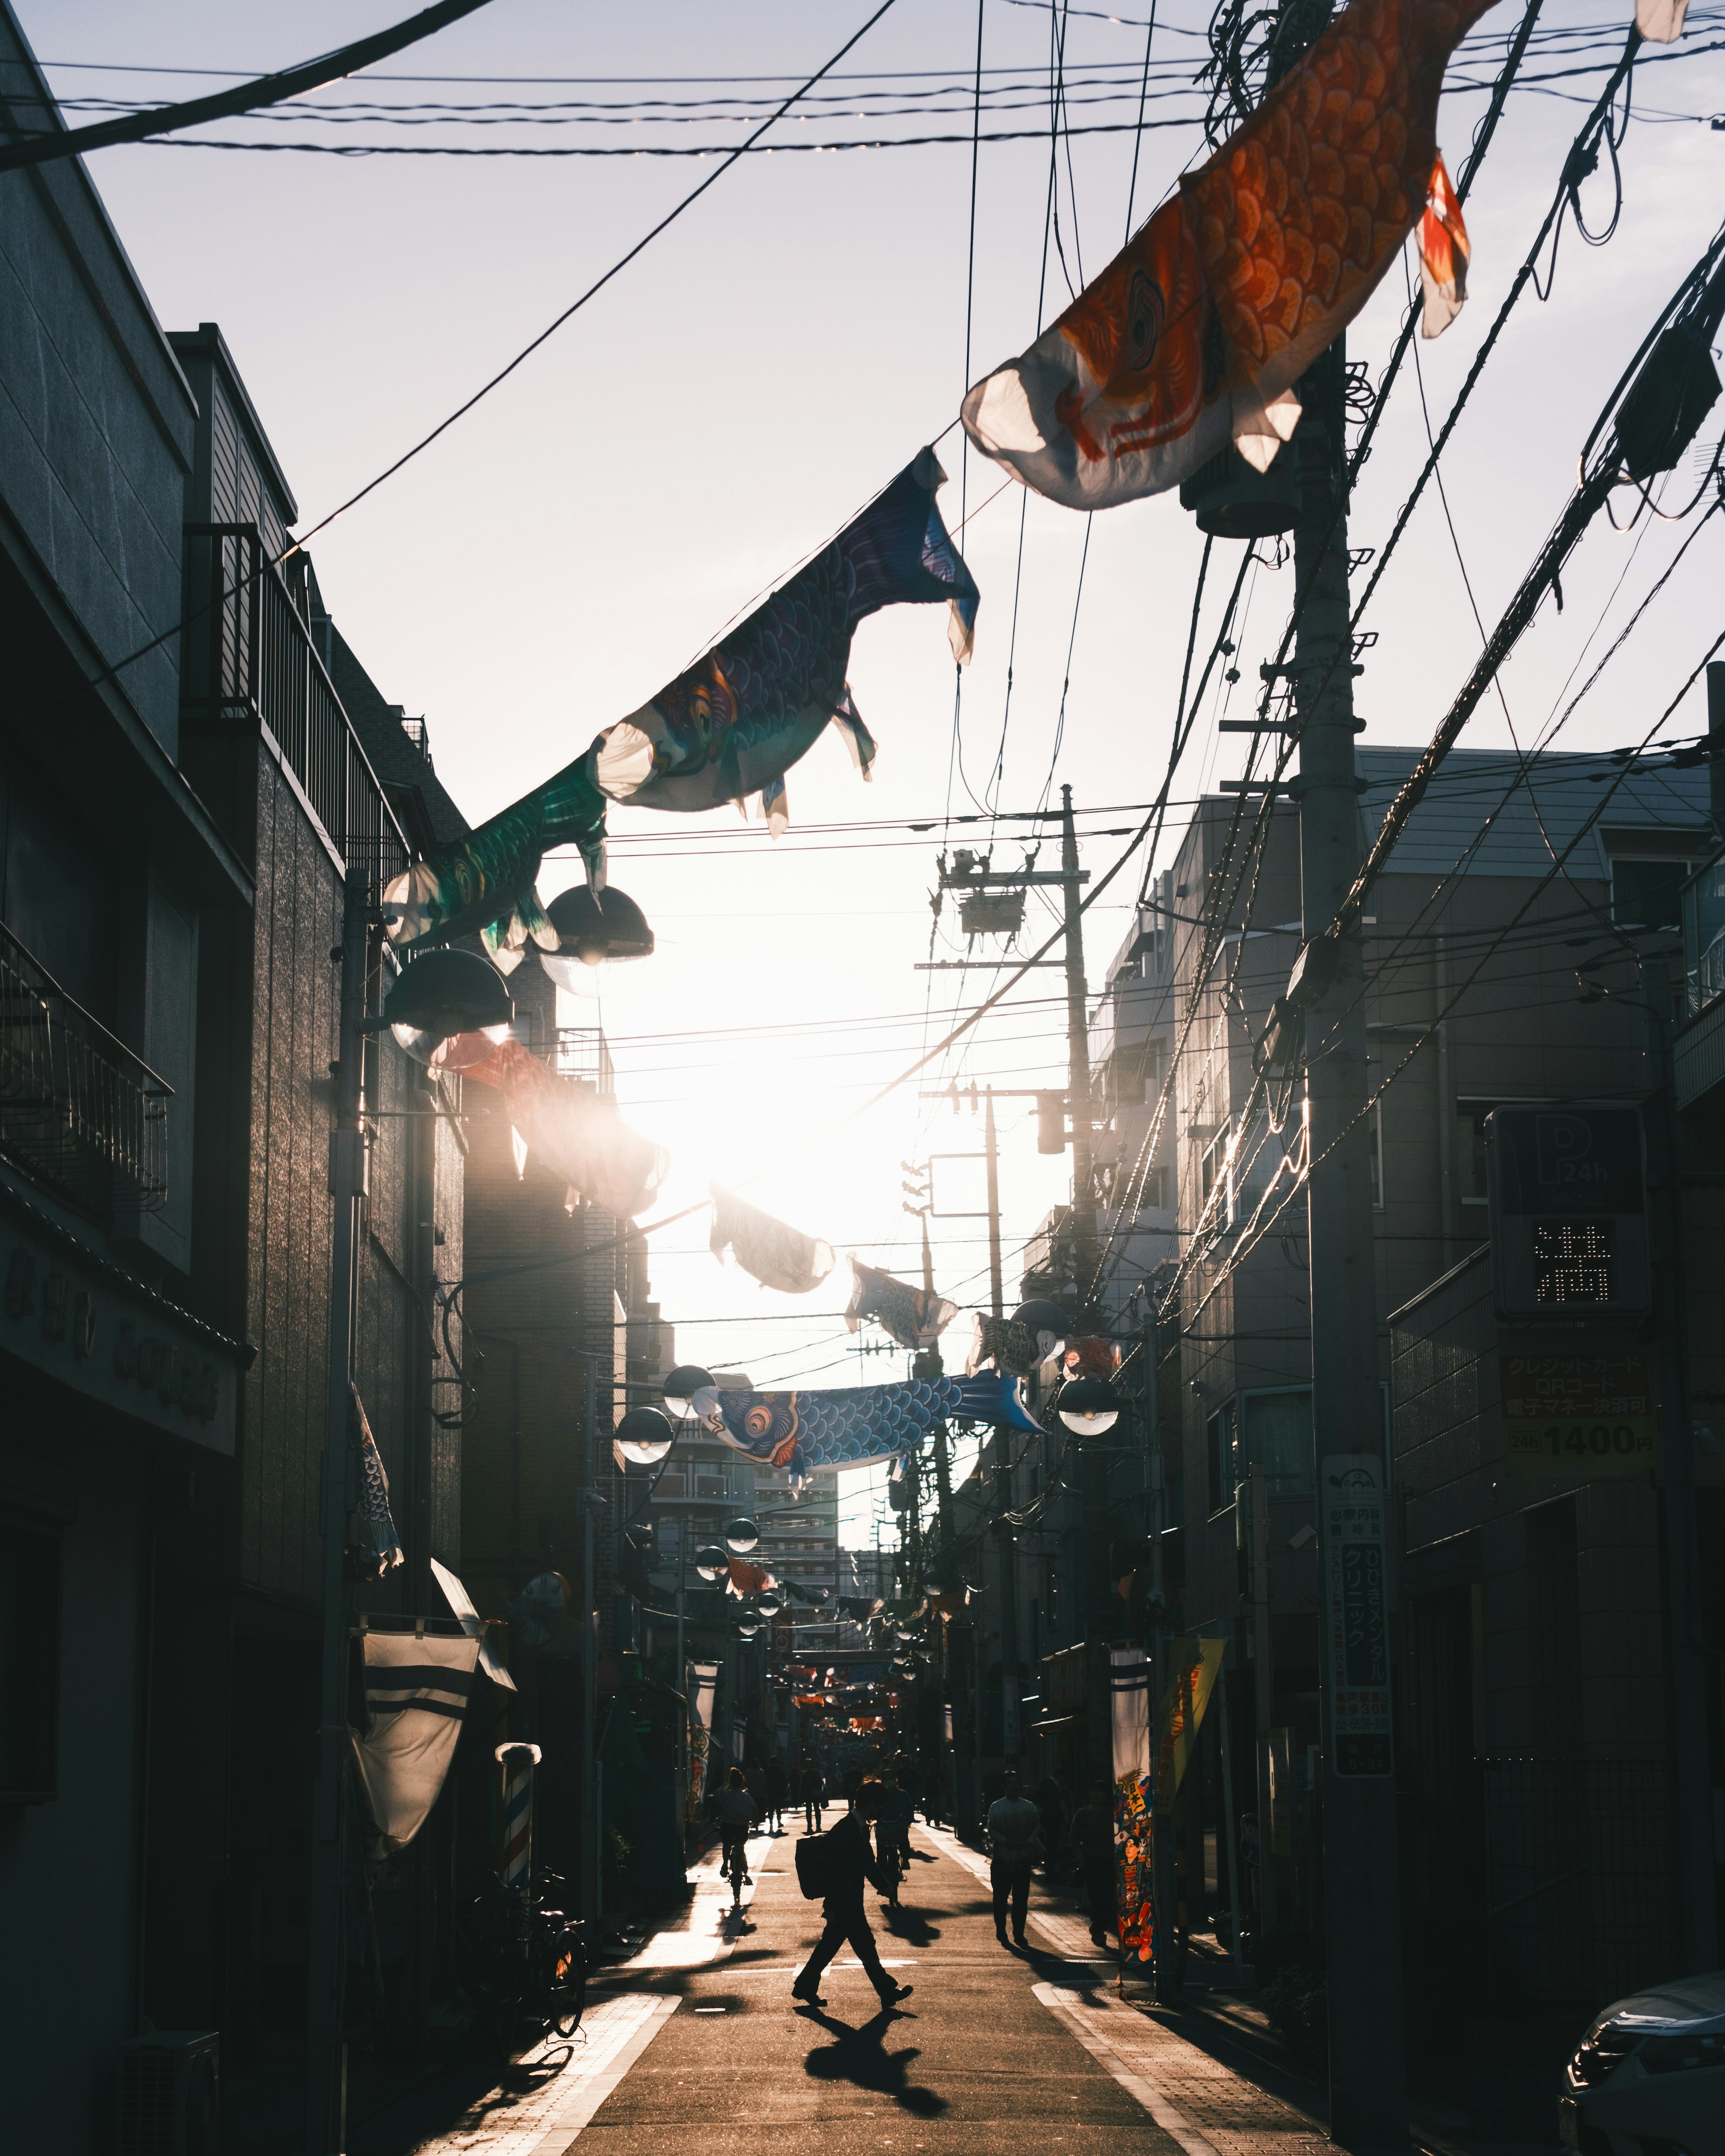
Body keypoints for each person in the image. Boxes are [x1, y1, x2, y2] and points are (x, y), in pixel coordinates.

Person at [792, 1780, 914, 2011]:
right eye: (881, 1805)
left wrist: (884, 1885)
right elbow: (837, 1871)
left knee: (834, 1946)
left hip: (847, 1901)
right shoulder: (847, 1829)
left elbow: (867, 1862)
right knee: (862, 1945)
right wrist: (834, 1907)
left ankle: (806, 1986)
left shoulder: (856, 1827)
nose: (882, 1811)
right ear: (871, 1804)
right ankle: (886, 1992)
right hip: (844, 1901)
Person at [986, 1768, 1042, 1948]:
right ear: (1004, 1786)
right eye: (1009, 1783)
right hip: (1002, 1860)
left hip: (1022, 1861)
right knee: (1000, 1899)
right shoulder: (997, 1807)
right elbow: (993, 1830)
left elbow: (1036, 1828)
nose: (1013, 1786)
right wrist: (1009, 1842)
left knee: (1020, 1900)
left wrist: (1026, 1842)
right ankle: (1001, 1930)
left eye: (1016, 1782)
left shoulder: (1029, 1806)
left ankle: (1019, 1933)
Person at [1068, 1781, 1116, 1948]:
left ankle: (1098, 1927)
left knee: (1108, 1895)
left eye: (1101, 1792)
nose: (1097, 1795)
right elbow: (1073, 1835)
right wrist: (1079, 1854)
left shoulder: (1113, 1814)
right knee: (1096, 1896)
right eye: (1094, 1791)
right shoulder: (1083, 1814)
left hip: (1110, 1860)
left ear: (1106, 1796)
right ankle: (1099, 1931)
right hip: (1091, 1860)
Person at [715, 1767, 761, 1908]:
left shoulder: (725, 1795)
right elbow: (755, 1813)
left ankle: (724, 1865)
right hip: (741, 1828)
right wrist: (753, 1820)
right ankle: (745, 1873)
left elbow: (717, 1793)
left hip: (727, 1827)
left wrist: (728, 1783)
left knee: (727, 1844)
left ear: (731, 1782)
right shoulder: (747, 1798)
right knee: (740, 1847)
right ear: (742, 1783)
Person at [876, 1769, 916, 1906]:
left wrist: (908, 1821)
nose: (889, 1782)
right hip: (883, 1828)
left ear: (895, 1780)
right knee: (880, 1854)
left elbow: (910, 1811)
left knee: (904, 1837)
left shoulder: (903, 1795)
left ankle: (906, 1858)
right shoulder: (879, 1795)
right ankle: (881, 1878)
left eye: (891, 1779)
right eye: (886, 1779)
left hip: (898, 1828)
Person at [763, 1755, 789, 1834]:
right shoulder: (780, 1770)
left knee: (771, 1809)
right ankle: (779, 1822)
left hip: (770, 1792)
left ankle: (771, 1823)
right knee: (778, 1808)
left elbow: (765, 1782)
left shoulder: (768, 1771)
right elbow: (785, 1781)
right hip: (778, 1792)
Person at [800, 1757, 825, 1833]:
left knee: (816, 1810)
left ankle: (818, 1826)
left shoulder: (814, 1773)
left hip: (814, 1794)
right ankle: (810, 1826)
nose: (808, 1766)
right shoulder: (805, 1774)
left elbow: (821, 1782)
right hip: (809, 1795)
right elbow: (802, 1786)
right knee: (810, 1811)